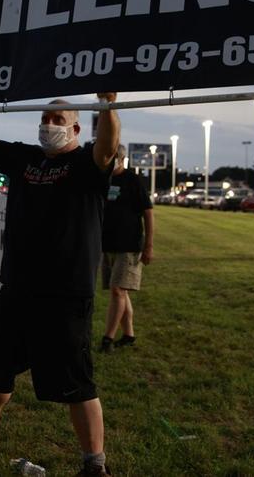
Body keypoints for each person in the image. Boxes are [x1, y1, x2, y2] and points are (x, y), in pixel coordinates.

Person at [0, 94, 120, 477]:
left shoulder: (87, 164)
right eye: (45, 117)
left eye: (57, 118)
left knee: (75, 381)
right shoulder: (26, 159)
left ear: (76, 127)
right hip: (17, 288)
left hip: (65, 294)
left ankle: (95, 467)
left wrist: (108, 106)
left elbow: (108, 147)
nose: (49, 124)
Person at [99, 145, 154, 353]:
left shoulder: (133, 180)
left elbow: (148, 213)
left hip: (129, 246)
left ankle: (108, 338)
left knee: (117, 290)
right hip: (109, 245)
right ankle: (129, 334)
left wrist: (148, 245)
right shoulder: (105, 180)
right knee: (120, 292)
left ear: (122, 159)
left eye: (112, 158)